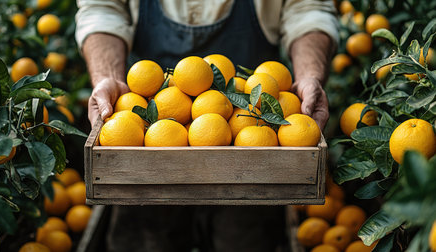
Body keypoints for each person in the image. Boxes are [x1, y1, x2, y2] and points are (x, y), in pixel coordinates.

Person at [76, 0, 338, 251]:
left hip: (252, 160)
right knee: (147, 238)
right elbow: (102, 9)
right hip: (145, 147)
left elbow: (308, 9)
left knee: (244, 240)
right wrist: (108, 78)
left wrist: (308, 76)